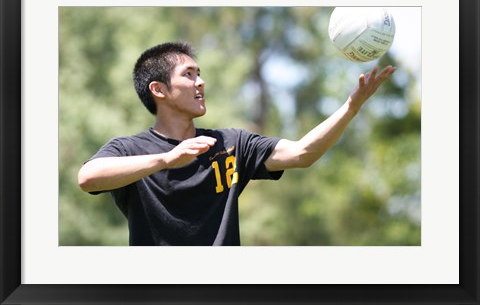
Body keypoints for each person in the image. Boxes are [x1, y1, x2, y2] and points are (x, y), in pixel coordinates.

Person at [78, 41, 396, 246]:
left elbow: (302, 153)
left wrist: (351, 107)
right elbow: (88, 178)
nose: (200, 82)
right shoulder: (129, 149)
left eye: (199, 73)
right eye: (188, 74)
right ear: (159, 90)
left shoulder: (231, 143)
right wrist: (165, 160)